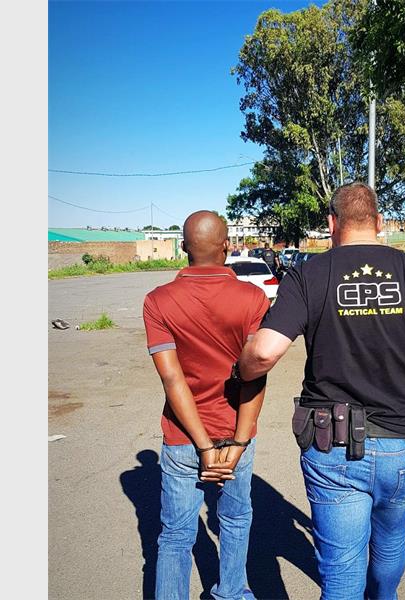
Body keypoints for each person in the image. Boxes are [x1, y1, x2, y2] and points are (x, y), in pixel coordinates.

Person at [235, 183, 405, 600]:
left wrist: (241, 369)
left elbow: (264, 353)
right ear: (379, 222)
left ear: (332, 223)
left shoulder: (309, 275)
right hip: (404, 444)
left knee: (342, 569)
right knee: (390, 544)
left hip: (333, 449)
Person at [143, 210, 270, 600]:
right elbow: (255, 374)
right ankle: (231, 593)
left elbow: (172, 379)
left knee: (176, 536)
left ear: (183, 247)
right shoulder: (253, 298)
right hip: (235, 437)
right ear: (227, 246)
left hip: (183, 437)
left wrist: (202, 446)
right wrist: (239, 441)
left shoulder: (158, 301)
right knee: (235, 521)